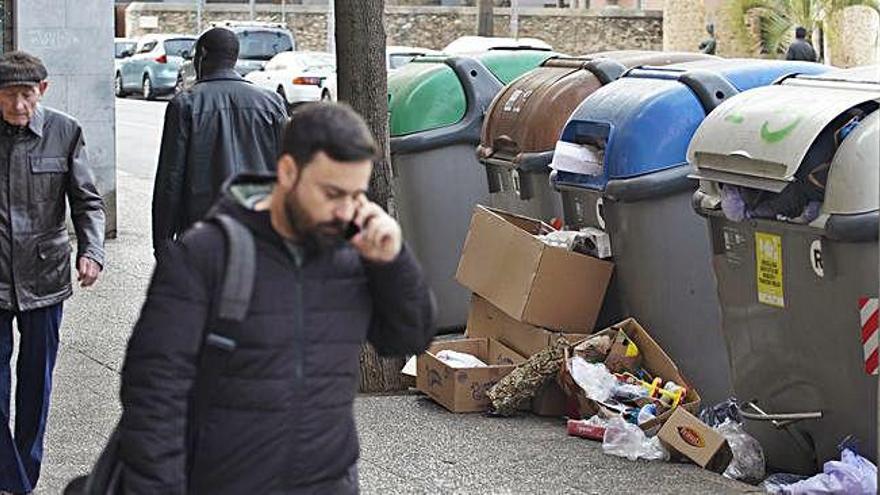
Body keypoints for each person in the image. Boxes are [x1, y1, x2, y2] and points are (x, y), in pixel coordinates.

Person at [119, 103, 436, 494]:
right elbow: (154, 395)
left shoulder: (354, 249)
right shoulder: (207, 254)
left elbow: (407, 339)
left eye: (357, 195)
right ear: (287, 171)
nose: (346, 211)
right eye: (332, 193)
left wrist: (393, 262)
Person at [0, 51, 105, 494]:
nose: (19, 106)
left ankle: (19, 477)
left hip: (45, 276)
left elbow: (88, 202)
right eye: (8, 97)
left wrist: (92, 251)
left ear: (42, 91)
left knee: (35, 386)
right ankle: (13, 478)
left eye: (26, 95)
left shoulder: (64, 130)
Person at [152, 27, 288, 255]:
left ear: (202, 54)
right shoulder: (272, 103)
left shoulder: (185, 104)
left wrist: (163, 241)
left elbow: (170, 180)